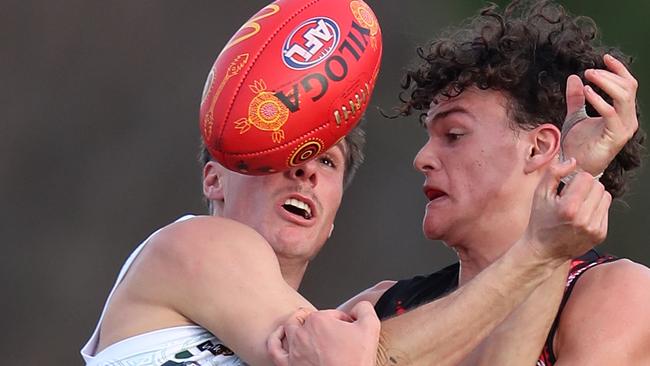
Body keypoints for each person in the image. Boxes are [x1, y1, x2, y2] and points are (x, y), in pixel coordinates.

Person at [80, 2, 636, 366]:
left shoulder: (616, 294)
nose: (421, 159)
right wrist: (542, 246)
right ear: (214, 176)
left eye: (328, 163)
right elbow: (351, 359)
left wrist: (556, 214)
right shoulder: (197, 243)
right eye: (284, 151)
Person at [333, 1, 647, 365]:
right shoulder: (378, 307)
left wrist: (572, 178)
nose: (421, 159)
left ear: (538, 148)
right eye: (428, 136)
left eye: (453, 134)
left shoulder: (616, 293)